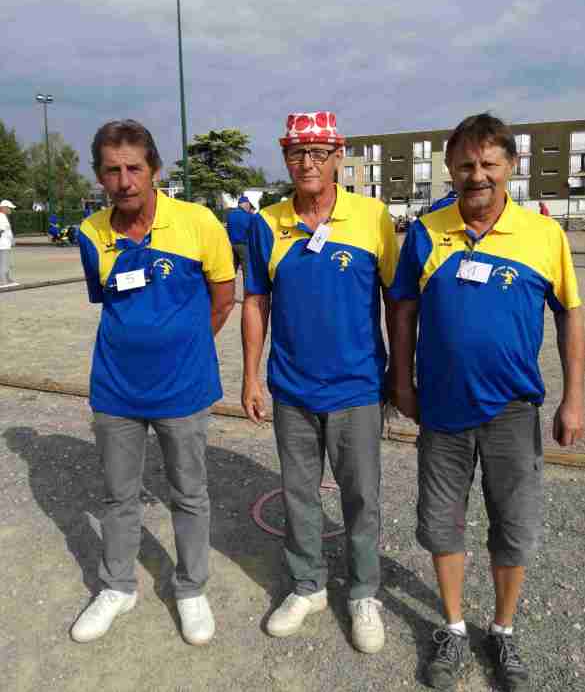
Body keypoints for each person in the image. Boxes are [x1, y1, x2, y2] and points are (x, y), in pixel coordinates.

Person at [389, 113, 585, 691]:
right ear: (450, 169)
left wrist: (574, 398)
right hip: (442, 408)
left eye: (488, 164)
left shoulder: (544, 235)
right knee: (442, 523)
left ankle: (502, 629)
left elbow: (570, 315)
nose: (477, 175)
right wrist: (402, 382)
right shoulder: (426, 232)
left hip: (513, 410)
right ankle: (452, 627)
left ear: (510, 166)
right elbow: (402, 311)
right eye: (465, 165)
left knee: (513, 526)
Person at [72, 120, 235, 645]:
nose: (124, 181)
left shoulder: (198, 222)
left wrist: (184, 346)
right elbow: (107, 300)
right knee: (118, 496)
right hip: (116, 389)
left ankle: (191, 589)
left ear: (155, 171)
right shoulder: (90, 233)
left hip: (183, 389)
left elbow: (223, 298)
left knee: (189, 493)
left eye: (134, 168)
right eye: (112, 171)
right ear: (99, 176)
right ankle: (117, 586)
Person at [242, 111, 400, 654]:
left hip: (357, 387)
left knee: (361, 496)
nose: (306, 162)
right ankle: (307, 586)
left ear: (337, 156)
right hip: (292, 388)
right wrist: (250, 377)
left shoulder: (373, 217)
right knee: (299, 494)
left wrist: (399, 374)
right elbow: (255, 303)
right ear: (285, 158)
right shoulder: (267, 223)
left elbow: (397, 301)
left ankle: (363, 593)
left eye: (317, 152)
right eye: (296, 153)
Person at [226, 195, 254, 281]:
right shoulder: (248, 216)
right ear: (245, 204)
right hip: (243, 245)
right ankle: (247, 288)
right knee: (247, 270)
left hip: (232, 244)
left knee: (232, 269)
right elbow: (251, 230)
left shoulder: (230, 214)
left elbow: (228, 229)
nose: (249, 207)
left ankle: (230, 286)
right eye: (248, 204)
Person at [0, 199, 17, 287]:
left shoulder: (3, 216)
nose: (11, 210)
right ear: (4, 208)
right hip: (3, 245)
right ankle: (3, 282)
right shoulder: (1, 217)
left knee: (5, 263)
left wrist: (11, 240)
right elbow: (1, 230)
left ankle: (7, 280)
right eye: (9, 208)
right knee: (4, 263)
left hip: (5, 244)